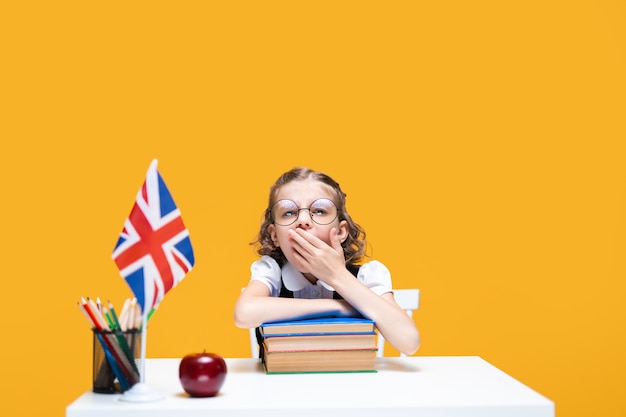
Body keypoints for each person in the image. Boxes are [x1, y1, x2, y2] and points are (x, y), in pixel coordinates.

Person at [234, 167, 420, 356]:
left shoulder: (366, 275)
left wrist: (337, 275)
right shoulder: (270, 271)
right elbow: (244, 313)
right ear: (274, 235)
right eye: (289, 213)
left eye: (320, 211)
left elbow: (409, 342)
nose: (303, 220)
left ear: (340, 232)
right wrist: (342, 308)